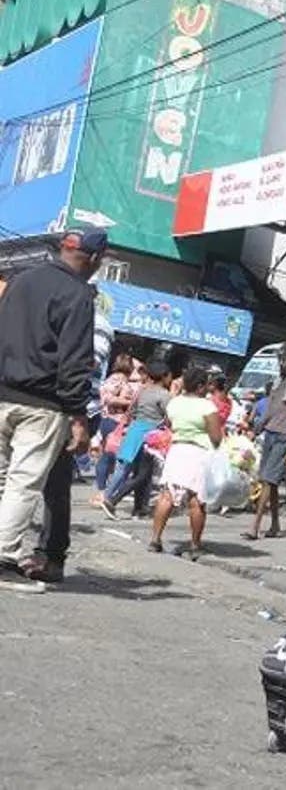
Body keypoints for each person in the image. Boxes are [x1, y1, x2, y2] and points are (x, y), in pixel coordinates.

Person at [0, 228, 104, 592]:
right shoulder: (78, 294)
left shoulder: (20, 280)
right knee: (23, 483)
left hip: (2, 394)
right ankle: (3, 559)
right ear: (94, 259)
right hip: (41, 404)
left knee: (1, 479)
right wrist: (78, 415)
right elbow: (75, 360)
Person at [148, 368, 223, 559]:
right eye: (206, 384)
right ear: (199, 387)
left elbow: (169, 424)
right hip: (197, 453)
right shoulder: (207, 407)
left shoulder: (175, 403)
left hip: (176, 451)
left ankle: (155, 539)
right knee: (196, 501)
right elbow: (216, 438)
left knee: (167, 495)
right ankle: (195, 545)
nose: (208, 388)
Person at [244, 343, 286, 540]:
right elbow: (270, 410)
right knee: (270, 481)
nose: (281, 364)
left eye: (284, 360)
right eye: (279, 360)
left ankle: (255, 526)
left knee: (267, 479)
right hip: (270, 433)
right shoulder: (277, 382)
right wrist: (255, 430)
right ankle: (275, 525)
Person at [101, 362, 172, 519]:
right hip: (151, 435)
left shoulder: (142, 391)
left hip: (135, 431)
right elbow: (170, 417)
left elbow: (132, 411)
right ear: (164, 376)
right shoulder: (165, 395)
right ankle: (112, 500)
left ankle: (139, 508)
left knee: (141, 472)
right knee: (143, 473)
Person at [92, 352, 137, 504]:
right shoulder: (117, 380)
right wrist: (129, 403)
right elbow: (108, 399)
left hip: (108, 420)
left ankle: (104, 490)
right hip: (115, 421)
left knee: (107, 455)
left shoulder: (113, 379)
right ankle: (104, 492)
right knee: (112, 457)